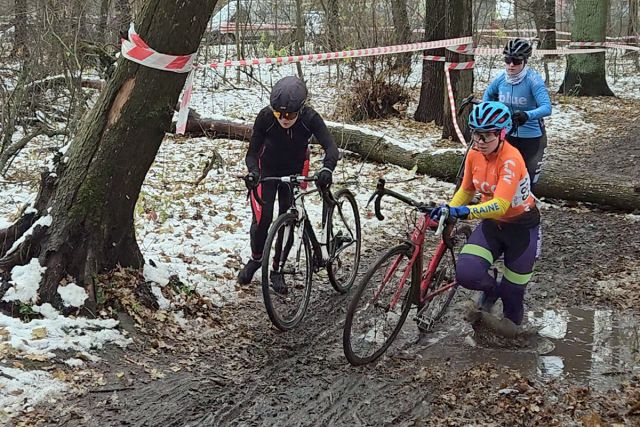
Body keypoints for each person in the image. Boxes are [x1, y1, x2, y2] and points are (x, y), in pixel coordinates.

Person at [431, 101, 541, 329]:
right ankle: (492, 291)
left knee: (513, 299)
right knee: (466, 274)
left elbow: (500, 205)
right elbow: (467, 189)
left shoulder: (511, 160)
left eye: (485, 136)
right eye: (475, 135)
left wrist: (464, 212)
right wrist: (449, 210)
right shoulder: (474, 154)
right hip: (492, 226)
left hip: (522, 229)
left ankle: (511, 351)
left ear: (502, 134)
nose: (479, 142)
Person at [238, 76, 339, 287]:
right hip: (267, 170)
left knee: (288, 218)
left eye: (290, 114)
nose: (284, 119)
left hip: (295, 170)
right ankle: (256, 259)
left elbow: (331, 148)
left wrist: (327, 168)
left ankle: (278, 268)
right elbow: (252, 153)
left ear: (301, 109)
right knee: (263, 219)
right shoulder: (265, 117)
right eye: (279, 113)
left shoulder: (310, 118)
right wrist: (253, 171)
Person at [483, 38, 552, 191]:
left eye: (516, 61)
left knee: (527, 180)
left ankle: (527, 211)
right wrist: (489, 112)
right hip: (507, 134)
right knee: (505, 174)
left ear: (525, 61)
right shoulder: (501, 78)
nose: (511, 65)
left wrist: (527, 115)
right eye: (507, 60)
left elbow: (547, 108)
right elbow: (487, 96)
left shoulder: (533, 80)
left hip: (532, 137)